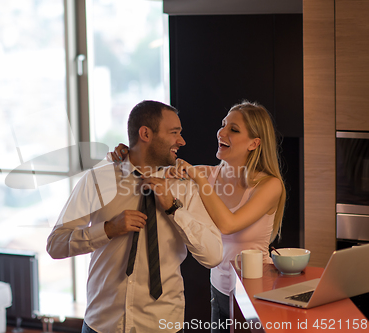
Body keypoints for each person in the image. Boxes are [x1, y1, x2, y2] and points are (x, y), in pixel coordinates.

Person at [47, 100, 223, 333]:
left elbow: (214, 255)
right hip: (103, 324)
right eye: (174, 133)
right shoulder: (99, 180)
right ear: (145, 134)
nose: (181, 141)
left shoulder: (185, 187)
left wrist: (173, 208)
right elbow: (55, 244)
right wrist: (107, 230)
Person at [110, 101, 285, 333]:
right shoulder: (204, 174)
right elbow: (146, 170)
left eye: (233, 129)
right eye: (223, 125)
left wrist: (199, 179)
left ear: (255, 143)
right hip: (219, 291)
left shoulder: (269, 185)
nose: (222, 132)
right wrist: (127, 154)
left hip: (257, 293)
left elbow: (228, 224)